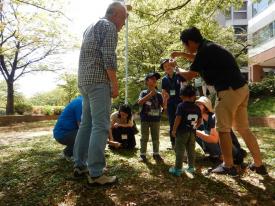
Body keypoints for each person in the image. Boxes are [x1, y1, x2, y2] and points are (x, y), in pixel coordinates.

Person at [171, 26, 267, 176]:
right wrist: (181, 54)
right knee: (243, 129)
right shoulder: (209, 47)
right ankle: (259, 164)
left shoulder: (204, 51)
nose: (185, 48)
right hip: (241, 89)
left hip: (228, 91)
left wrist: (176, 69)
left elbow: (189, 75)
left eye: (185, 44)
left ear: (189, 42)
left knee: (222, 130)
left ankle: (228, 165)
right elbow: (196, 58)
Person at [73, 2, 128, 187]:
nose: (124, 24)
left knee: (86, 124)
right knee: (101, 125)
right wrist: (114, 83)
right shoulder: (109, 26)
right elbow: (108, 57)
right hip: (98, 82)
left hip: (84, 81)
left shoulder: (91, 26)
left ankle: (80, 165)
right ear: (114, 15)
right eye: (124, 18)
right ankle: (96, 173)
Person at [195, 96, 247, 165]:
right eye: (196, 104)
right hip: (225, 148)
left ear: (206, 107)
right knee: (196, 131)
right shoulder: (203, 118)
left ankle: (221, 157)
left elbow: (214, 139)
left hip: (233, 150)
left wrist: (197, 132)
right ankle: (215, 155)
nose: (196, 106)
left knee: (202, 133)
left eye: (199, 104)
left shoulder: (213, 118)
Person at [169, 85, 202, 176]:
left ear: (182, 96)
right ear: (193, 96)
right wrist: (195, 127)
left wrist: (174, 130)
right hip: (192, 132)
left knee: (180, 150)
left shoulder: (181, 106)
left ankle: (178, 169)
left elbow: (178, 119)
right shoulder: (197, 107)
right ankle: (191, 167)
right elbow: (200, 120)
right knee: (191, 150)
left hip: (182, 132)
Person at [160, 58, 186, 150]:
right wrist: (164, 105)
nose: (167, 67)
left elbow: (186, 84)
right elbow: (164, 92)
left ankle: (183, 143)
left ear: (172, 66)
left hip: (181, 103)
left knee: (182, 122)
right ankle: (174, 144)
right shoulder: (164, 79)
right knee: (172, 123)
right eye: (165, 66)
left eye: (169, 65)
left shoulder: (179, 75)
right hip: (170, 104)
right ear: (163, 69)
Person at [138, 72, 164, 163]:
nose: (154, 80)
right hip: (145, 119)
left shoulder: (159, 94)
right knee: (144, 137)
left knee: (156, 137)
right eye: (152, 78)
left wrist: (167, 99)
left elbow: (164, 106)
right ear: (146, 81)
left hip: (156, 119)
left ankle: (156, 154)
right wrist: (150, 94)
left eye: (155, 79)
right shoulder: (143, 92)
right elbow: (140, 102)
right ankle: (143, 155)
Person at [53, 96, 82, 161]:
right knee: (86, 135)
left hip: (65, 132)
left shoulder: (80, 100)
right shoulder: (81, 103)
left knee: (88, 133)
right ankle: (68, 153)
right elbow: (81, 126)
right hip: (63, 134)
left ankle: (69, 152)